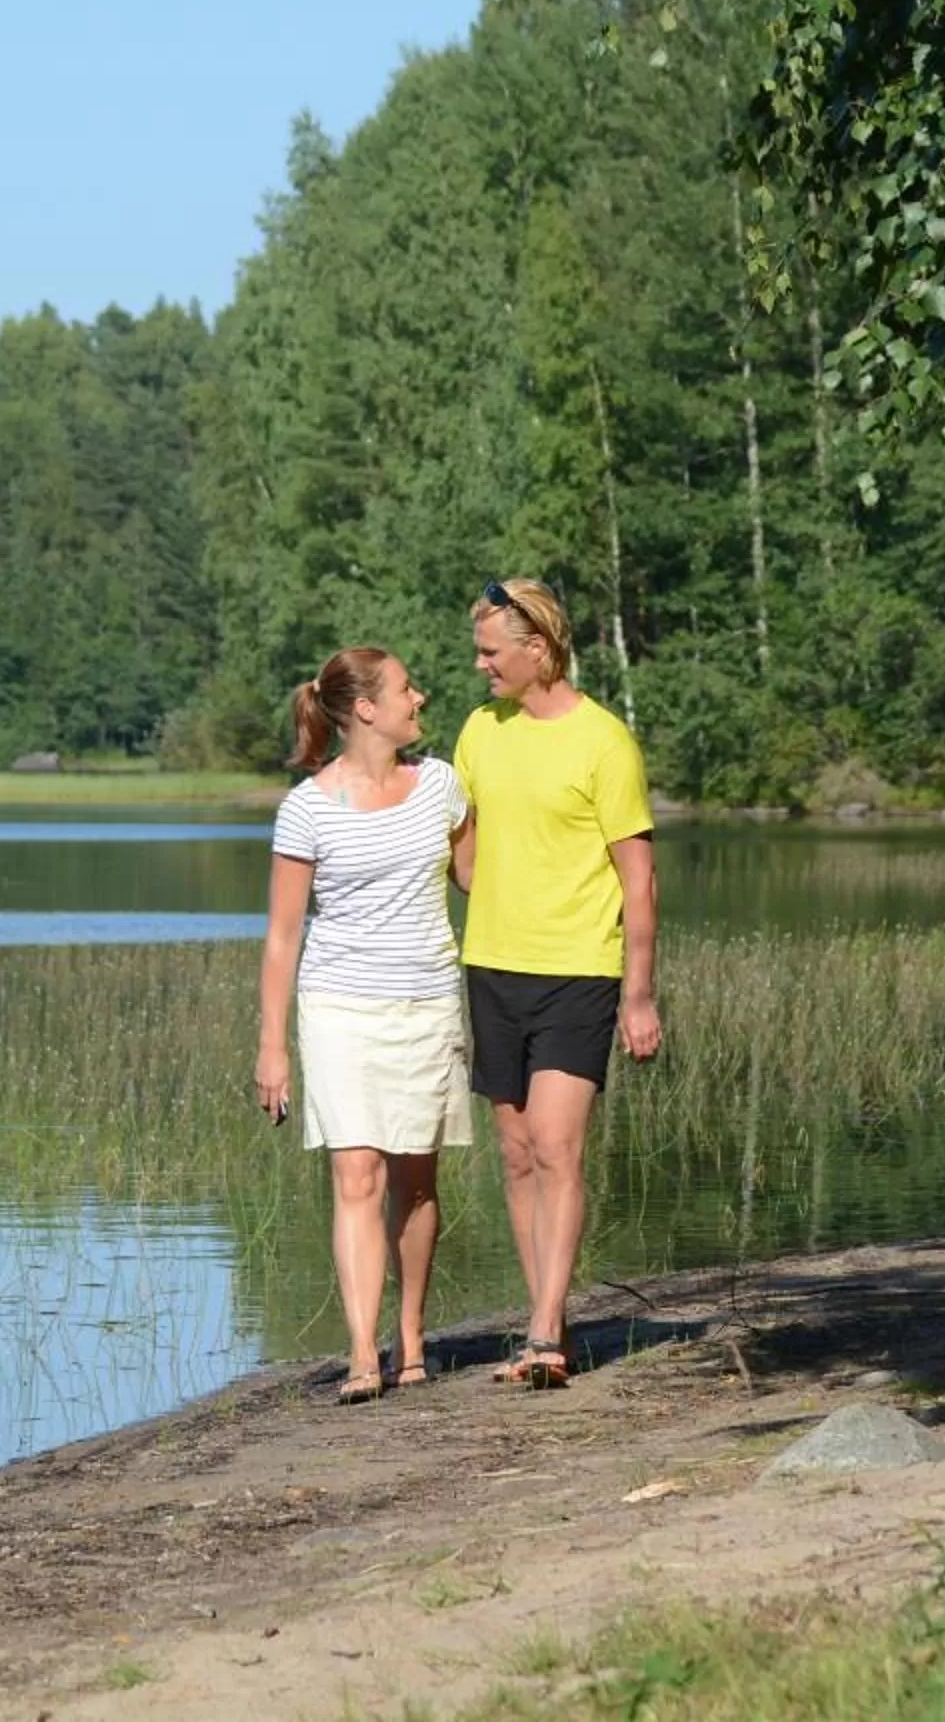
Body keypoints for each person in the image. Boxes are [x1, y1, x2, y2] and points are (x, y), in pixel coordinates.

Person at [449, 577, 661, 1390]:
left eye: (491, 653)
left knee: (556, 1144)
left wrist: (638, 994)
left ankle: (541, 1335)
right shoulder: (481, 730)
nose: (481, 666)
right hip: (493, 964)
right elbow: (463, 849)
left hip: (579, 969)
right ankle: (551, 1320)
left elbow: (638, 879)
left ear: (538, 649)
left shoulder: (605, 742)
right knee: (515, 1153)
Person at [255, 648, 473, 1404]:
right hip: (340, 1008)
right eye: (408, 688)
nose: (422, 696)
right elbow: (283, 936)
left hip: (427, 1003)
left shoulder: (441, 784)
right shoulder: (307, 809)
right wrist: (272, 1048)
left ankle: (410, 1337)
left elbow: (477, 878)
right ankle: (360, 1353)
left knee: (415, 1179)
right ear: (367, 710)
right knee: (356, 1175)